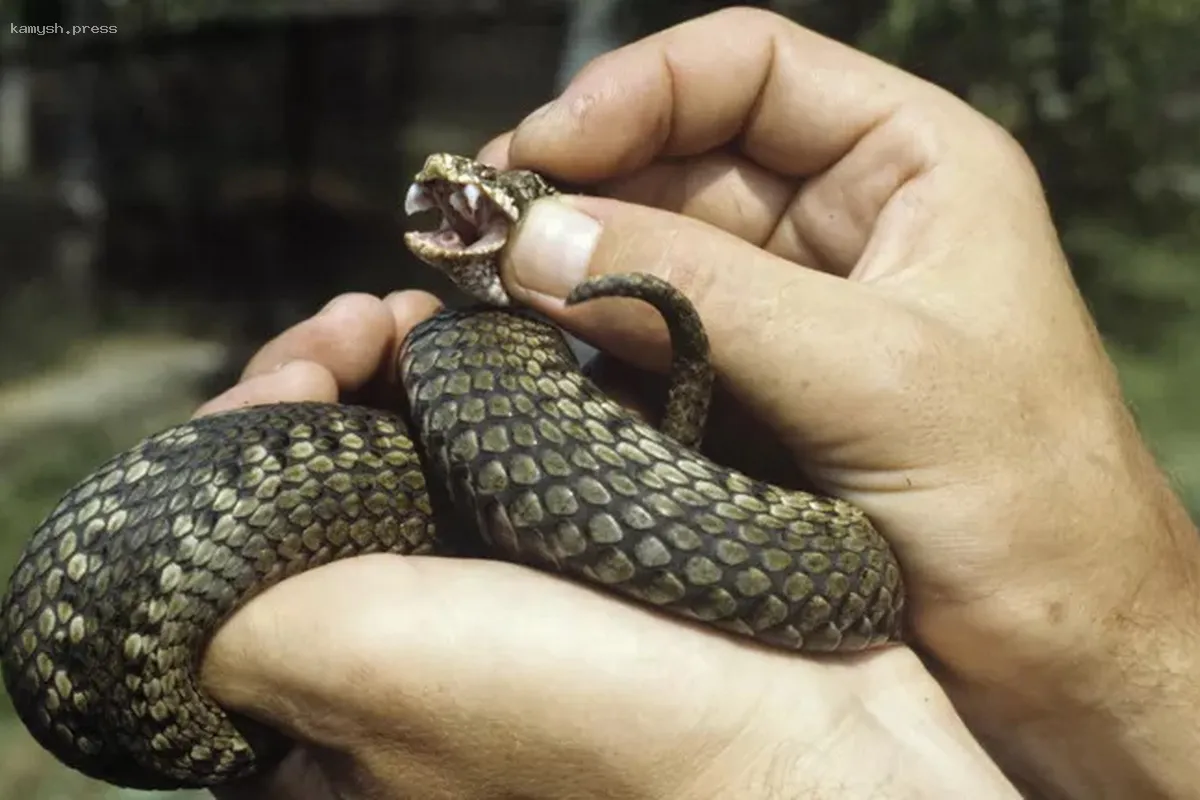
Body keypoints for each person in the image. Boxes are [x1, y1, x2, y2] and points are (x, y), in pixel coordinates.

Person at [198, 8, 1200, 799]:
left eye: (490, 190)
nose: (447, 183)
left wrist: (751, 771)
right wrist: (1126, 646)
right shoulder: (475, 341)